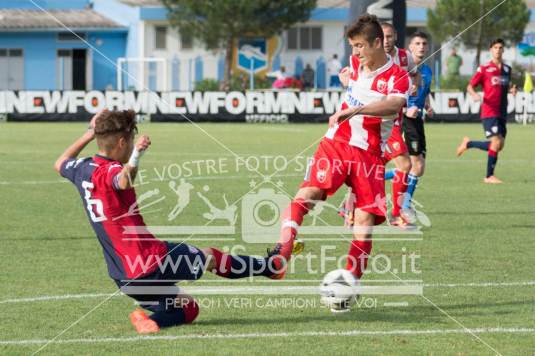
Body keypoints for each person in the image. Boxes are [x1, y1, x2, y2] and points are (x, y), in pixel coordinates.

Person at [54, 110, 283, 334]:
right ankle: (270, 268)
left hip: (122, 276)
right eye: (131, 141)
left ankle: (149, 322)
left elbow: (61, 163)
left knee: (188, 308)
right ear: (122, 142)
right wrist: (136, 157)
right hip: (149, 262)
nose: (133, 145)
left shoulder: (83, 168)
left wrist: (88, 133)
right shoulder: (111, 170)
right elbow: (122, 181)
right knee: (210, 257)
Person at [268, 15, 410, 299]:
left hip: (369, 155)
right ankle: (282, 252)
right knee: (309, 192)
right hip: (338, 143)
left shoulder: (398, 75)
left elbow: (394, 104)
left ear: (378, 43)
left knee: (365, 223)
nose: (355, 53)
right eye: (353, 46)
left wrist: (354, 110)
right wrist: (348, 88)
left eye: (360, 46)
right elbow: (355, 85)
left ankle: (350, 284)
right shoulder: (356, 64)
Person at [456, 38, 517, 183]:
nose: (498, 50)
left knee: (499, 145)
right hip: (489, 111)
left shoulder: (507, 69)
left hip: (502, 111)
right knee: (495, 142)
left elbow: (506, 86)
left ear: (503, 50)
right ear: (491, 50)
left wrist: (512, 90)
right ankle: (489, 176)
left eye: (500, 47)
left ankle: (468, 144)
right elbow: (470, 86)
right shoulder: (484, 69)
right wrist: (474, 94)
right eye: (495, 47)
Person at [380, 22, 419, 226]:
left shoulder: (405, 56)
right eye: (382, 37)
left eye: (389, 36)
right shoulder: (373, 57)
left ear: (395, 36)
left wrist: (414, 88)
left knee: (374, 166)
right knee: (405, 164)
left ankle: (349, 206)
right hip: (382, 121)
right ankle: (396, 214)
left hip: (396, 119)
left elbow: (415, 75)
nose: (386, 41)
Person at [400, 31, 434, 218]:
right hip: (405, 120)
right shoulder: (403, 70)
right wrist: (405, 110)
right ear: (410, 47)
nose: (421, 47)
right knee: (417, 165)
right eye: (418, 43)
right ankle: (405, 206)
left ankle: (371, 180)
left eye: (424, 44)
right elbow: (390, 95)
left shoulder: (427, 70)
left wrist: (427, 105)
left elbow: (425, 91)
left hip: (418, 121)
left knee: (411, 166)